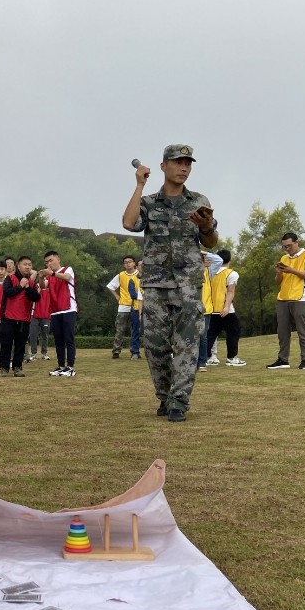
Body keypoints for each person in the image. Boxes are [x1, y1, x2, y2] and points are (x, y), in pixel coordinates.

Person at [123, 144, 218, 422]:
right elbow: (129, 223)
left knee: (187, 344)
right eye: (178, 162)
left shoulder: (198, 201)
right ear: (163, 166)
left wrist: (206, 227)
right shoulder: (150, 202)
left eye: (188, 163)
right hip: (156, 284)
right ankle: (165, 396)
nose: (184, 168)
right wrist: (139, 185)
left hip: (188, 284)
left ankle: (179, 401)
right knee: (155, 346)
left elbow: (211, 243)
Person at [267, 232, 305, 370]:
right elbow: (278, 281)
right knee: (282, 332)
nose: (287, 249)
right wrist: (279, 273)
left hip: (301, 298)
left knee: (303, 331)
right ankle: (283, 360)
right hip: (283, 298)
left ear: (297, 242)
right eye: (285, 246)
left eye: (289, 245)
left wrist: (292, 270)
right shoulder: (284, 258)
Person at [0, 256, 41, 377]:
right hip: (8, 317)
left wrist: (27, 287)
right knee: (6, 344)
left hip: (24, 319)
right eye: (25, 264)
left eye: (30, 265)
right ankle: (4, 368)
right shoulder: (10, 278)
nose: (27, 267)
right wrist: (20, 286)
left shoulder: (31, 282)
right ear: (18, 266)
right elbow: (7, 292)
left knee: (20, 345)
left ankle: (17, 367)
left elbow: (36, 298)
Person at [205, 249, 246, 367]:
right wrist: (227, 307)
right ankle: (231, 357)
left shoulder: (209, 272)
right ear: (229, 260)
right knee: (233, 332)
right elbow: (230, 291)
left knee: (211, 335)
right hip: (225, 309)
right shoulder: (231, 273)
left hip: (211, 308)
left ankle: (206, 357)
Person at [42, 250, 78, 377]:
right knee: (58, 340)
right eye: (46, 262)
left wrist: (51, 273)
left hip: (68, 308)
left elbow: (66, 277)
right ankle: (61, 366)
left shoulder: (67, 269)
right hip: (55, 310)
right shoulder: (49, 276)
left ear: (58, 259)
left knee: (69, 338)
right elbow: (43, 286)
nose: (49, 264)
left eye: (51, 260)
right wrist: (41, 277)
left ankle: (70, 367)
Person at [107, 255, 143, 360]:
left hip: (136, 305)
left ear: (134, 263)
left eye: (130, 261)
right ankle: (116, 350)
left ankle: (135, 351)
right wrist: (117, 296)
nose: (128, 264)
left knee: (135, 329)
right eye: (126, 262)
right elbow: (110, 286)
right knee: (120, 329)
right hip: (124, 305)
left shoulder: (140, 274)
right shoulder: (121, 275)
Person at [196, 251, 223, 372]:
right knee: (189, 336)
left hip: (206, 309)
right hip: (190, 309)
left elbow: (219, 260)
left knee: (203, 336)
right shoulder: (187, 273)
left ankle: (202, 362)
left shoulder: (208, 271)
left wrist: (202, 251)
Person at [27, 271, 51, 362]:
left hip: (46, 315)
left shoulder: (50, 289)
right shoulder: (36, 287)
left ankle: (44, 353)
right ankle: (33, 354)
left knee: (45, 336)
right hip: (35, 315)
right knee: (33, 335)